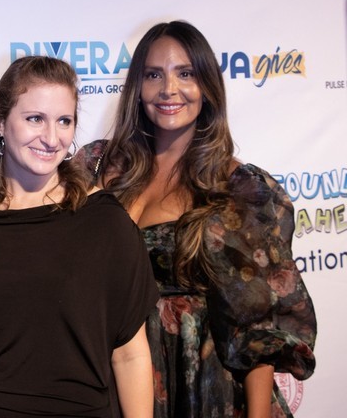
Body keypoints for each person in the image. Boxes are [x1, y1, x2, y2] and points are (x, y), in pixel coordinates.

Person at [80, 21, 316, 417]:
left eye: (185, 74)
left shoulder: (238, 187)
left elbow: (255, 327)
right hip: (114, 372)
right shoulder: (100, 166)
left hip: (204, 385)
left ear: (206, 87)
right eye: (154, 75)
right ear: (137, 87)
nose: (168, 89)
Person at [0, 56, 158, 418]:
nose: (51, 138)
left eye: (64, 121)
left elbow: (130, 354)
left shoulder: (103, 220)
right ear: (0, 125)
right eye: (35, 119)